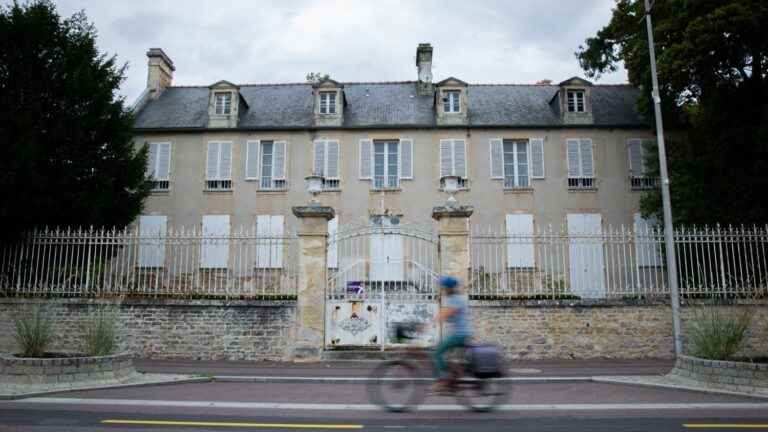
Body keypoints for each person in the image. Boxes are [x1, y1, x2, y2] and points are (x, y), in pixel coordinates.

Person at [430, 275, 472, 393]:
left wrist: (428, 324)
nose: (442, 290)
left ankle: (443, 380)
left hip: (460, 334)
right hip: (459, 333)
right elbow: (445, 313)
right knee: (446, 355)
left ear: (449, 288)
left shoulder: (457, 299)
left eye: (444, 288)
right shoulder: (454, 298)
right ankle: (451, 378)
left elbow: (446, 313)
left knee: (437, 352)